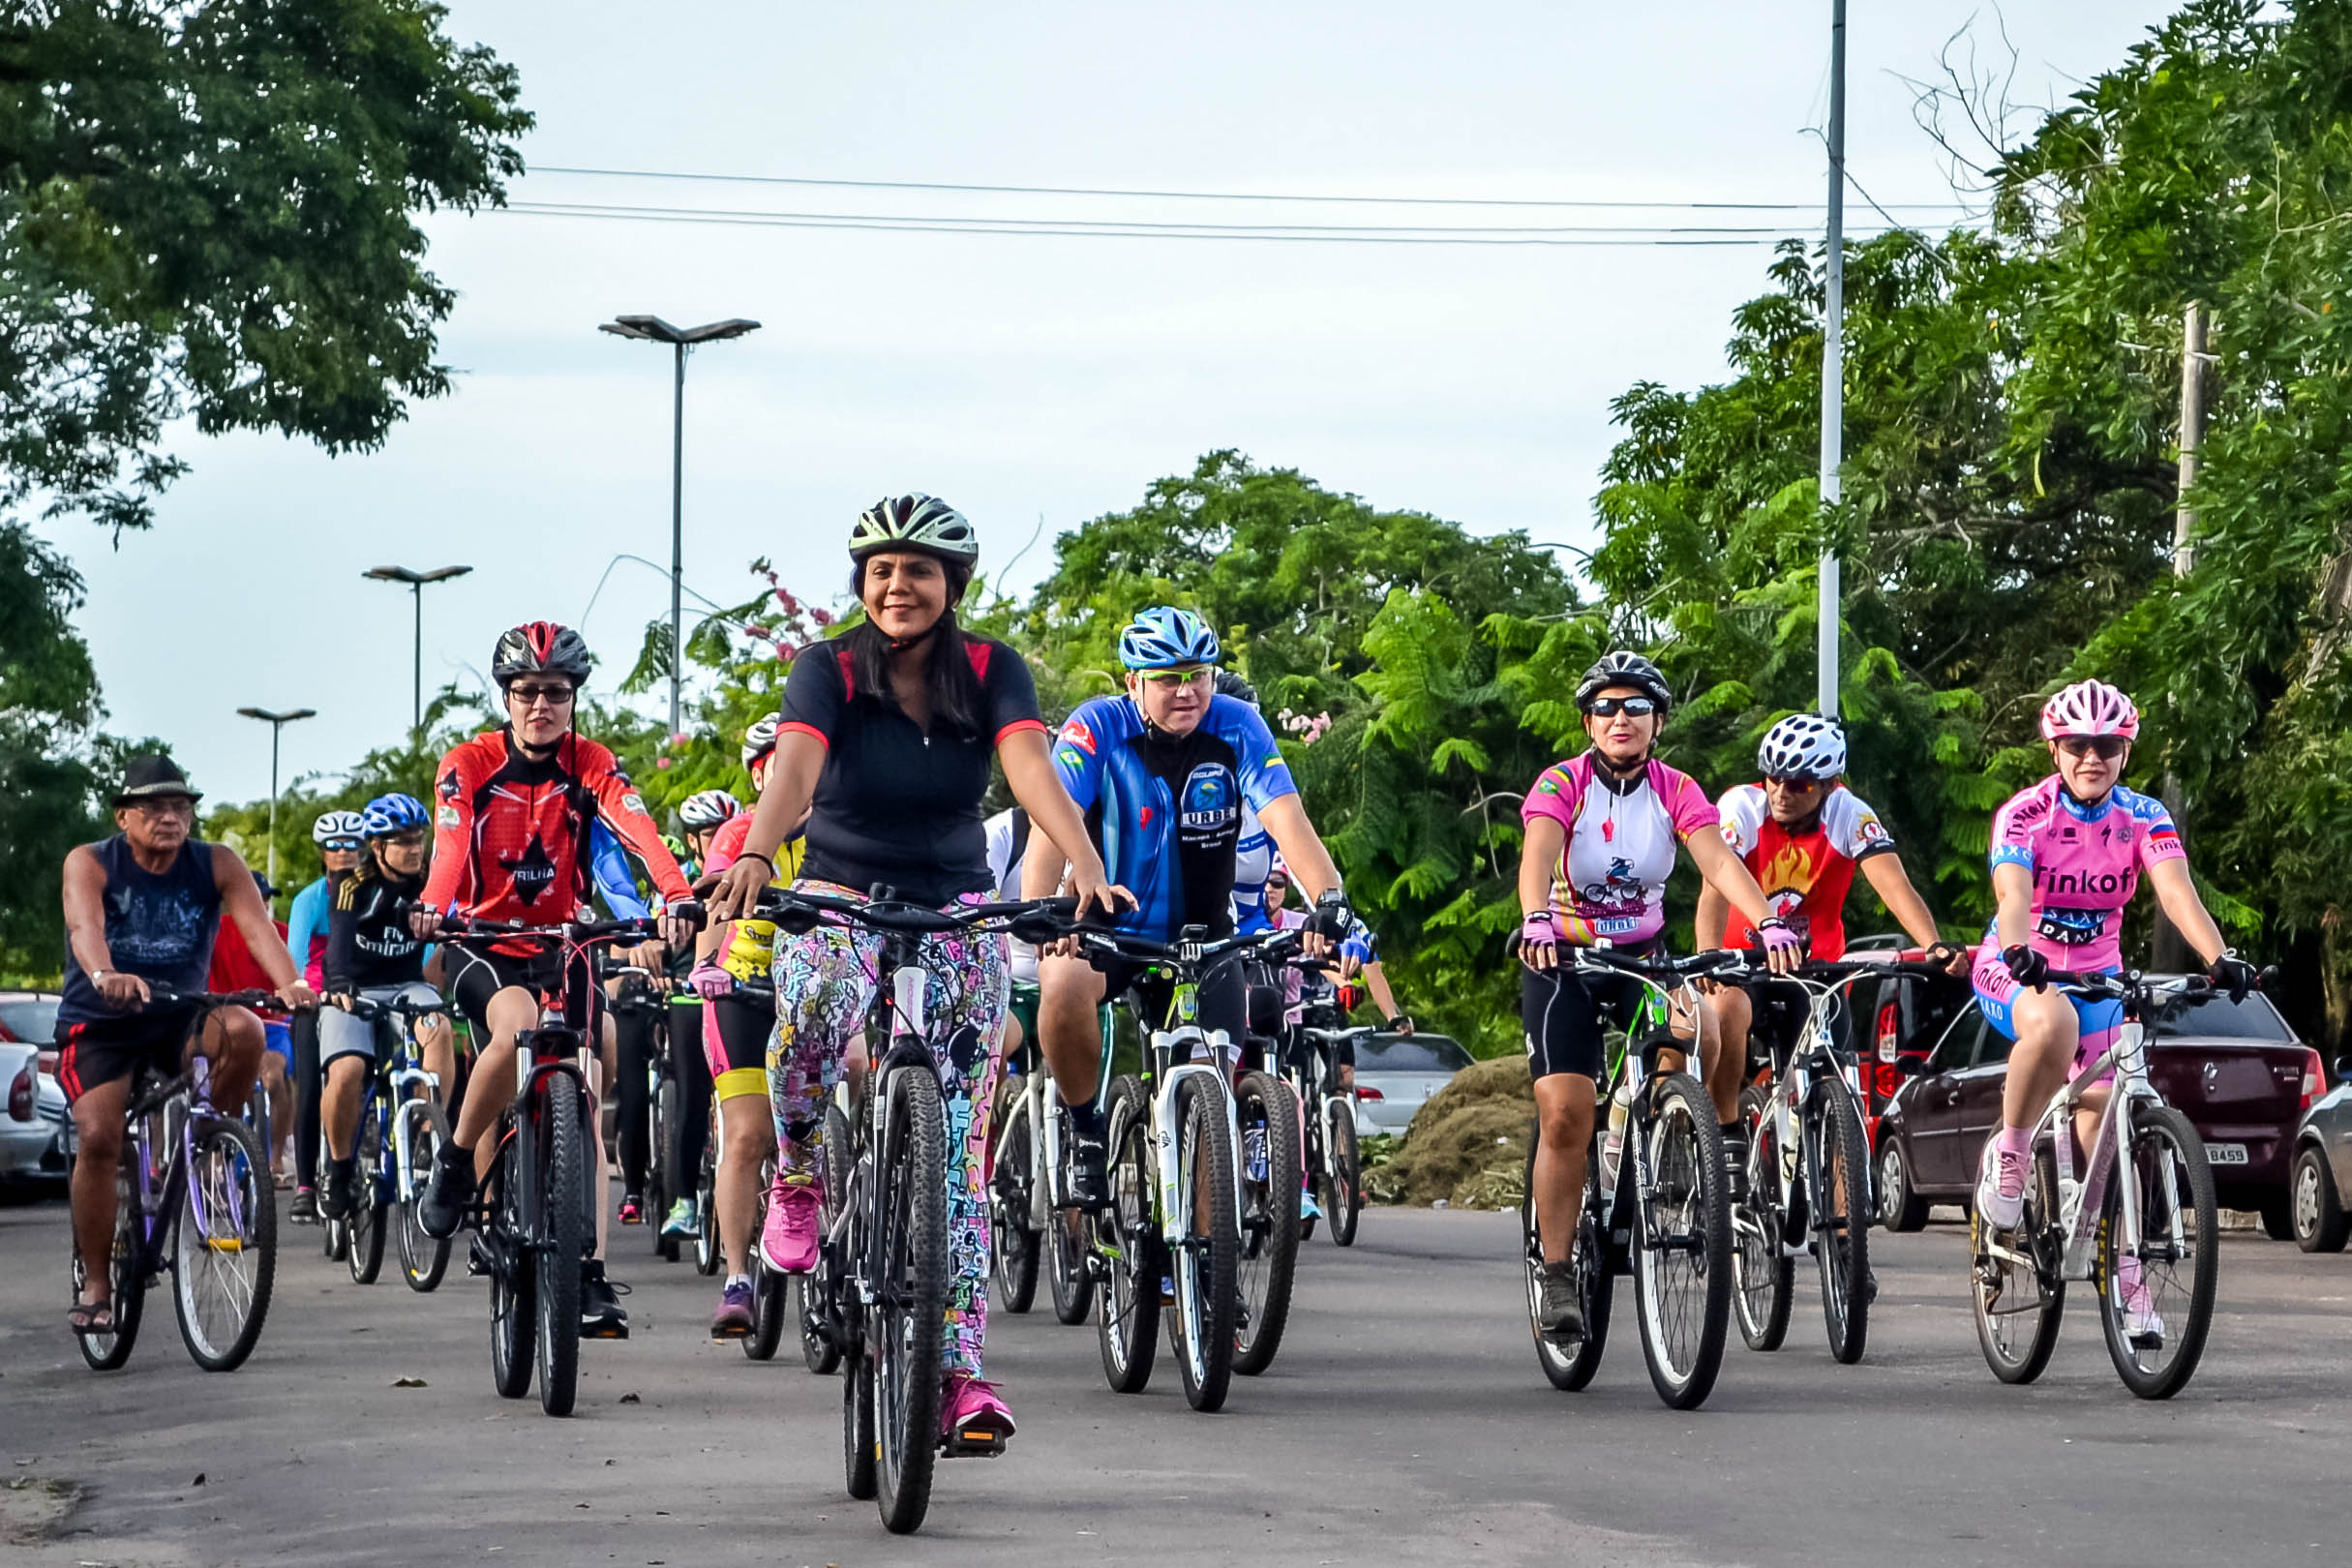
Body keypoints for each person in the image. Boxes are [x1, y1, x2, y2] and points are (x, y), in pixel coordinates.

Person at [708, 492, 1125, 1446]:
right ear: (863, 583)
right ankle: (802, 1171)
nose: (900, 586)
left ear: (951, 586)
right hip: (843, 892)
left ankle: (961, 1376)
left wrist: (1085, 865)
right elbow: (797, 769)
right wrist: (756, 855)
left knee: (958, 1160)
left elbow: (1028, 768)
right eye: (882, 570)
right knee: (809, 1018)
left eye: (920, 571)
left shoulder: (990, 670)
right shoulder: (829, 668)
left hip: (957, 902)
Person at [411, 621, 698, 1340]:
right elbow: (449, 845)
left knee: (583, 1086)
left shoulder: (590, 761)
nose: (541, 705)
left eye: (556, 693)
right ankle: (454, 1164)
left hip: (563, 945)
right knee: (510, 1031)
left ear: (573, 698)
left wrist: (675, 895)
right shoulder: (470, 762)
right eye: (527, 692)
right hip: (482, 941)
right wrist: (432, 907)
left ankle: (589, 1270)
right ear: (507, 697)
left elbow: (638, 832)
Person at [1022, 606, 1353, 1213]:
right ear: (1133, 682)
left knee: (1213, 1105)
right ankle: (1085, 1130)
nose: (1187, 690)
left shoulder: (1238, 724)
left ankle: (1198, 1265)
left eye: (1198, 674)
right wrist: (1044, 913)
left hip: (1206, 935)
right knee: (1061, 982)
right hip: (1111, 924)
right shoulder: (1096, 726)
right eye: (1168, 677)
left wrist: (1331, 900)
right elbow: (1051, 823)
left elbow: (1287, 820)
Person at [1515, 652, 1796, 1342]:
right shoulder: (1562, 782)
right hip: (1566, 962)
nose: (1621, 718)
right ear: (1588, 721)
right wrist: (1534, 916)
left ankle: (1649, 1130)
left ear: (1657, 722)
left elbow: (1717, 859)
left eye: (1635, 708)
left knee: (1699, 1025)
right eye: (1607, 707)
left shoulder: (1676, 788)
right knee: (1561, 1118)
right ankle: (1556, 1272)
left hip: (1642, 958)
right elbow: (1538, 850)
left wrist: (1766, 921)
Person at [1971, 680, 2255, 1345]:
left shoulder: (2144, 815)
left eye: (2107, 745)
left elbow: (2175, 892)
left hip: (2098, 972)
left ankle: (2127, 1279)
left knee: (2109, 1120)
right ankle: (2011, 1154)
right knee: (2054, 1024)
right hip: (2019, 961)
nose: (2091, 756)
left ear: (2125, 751)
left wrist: (2219, 957)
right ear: (2056, 748)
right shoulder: (2024, 814)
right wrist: (2017, 948)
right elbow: (2011, 894)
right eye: (2077, 745)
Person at [56, 755, 315, 1334]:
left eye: (180, 807)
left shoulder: (216, 863)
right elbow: (84, 928)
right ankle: (97, 1282)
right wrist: (105, 976)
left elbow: (257, 928)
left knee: (244, 1028)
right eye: (153, 807)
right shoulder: (92, 861)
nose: (169, 818)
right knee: (99, 1138)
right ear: (124, 815)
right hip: (102, 1020)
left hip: (178, 1015)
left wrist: (291, 984)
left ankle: (205, 1150)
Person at [1694, 712, 1964, 1083]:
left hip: (1814, 964)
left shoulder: (1848, 813)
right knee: (1726, 1012)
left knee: (1836, 1073)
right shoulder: (1740, 807)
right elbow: (1715, 885)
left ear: (1829, 786)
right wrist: (1709, 953)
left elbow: (1893, 884)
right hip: (1743, 959)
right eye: (1773, 778)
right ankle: (1727, 1130)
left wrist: (1932, 943)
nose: (1781, 793)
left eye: (1799, 785)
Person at [687, 723, 812, 1334]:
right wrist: (708, 963)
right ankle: (739, 1278)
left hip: (813, 992)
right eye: (774, 766)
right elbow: (716, 902)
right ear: (760, 776)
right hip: (741, 990)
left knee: (864, 1068)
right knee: (747, 1134)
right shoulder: (739, 834)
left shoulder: (836, 833)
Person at [317, 794, 452, 1220]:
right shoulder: (352, 883)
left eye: (418, 840)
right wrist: (337, 983)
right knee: (348, 1071)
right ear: (377, 847)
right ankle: (339, 1170)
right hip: (353, 988)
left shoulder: (434, 880)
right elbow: (337, 938)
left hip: (408, 986)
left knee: (440, 1028)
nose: (414, 849)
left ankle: (428, 1138)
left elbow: (457, 927)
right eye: (402, 841)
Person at [284, 810, 365, 1222]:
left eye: (353, 844)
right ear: (322, 853)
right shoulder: (310, 899)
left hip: (364, 994)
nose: (345, 852)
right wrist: (305, 993)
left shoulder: (373, 893)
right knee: (312, 1085)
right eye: (335, 846)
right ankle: (305, 1184)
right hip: (316, 999)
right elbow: (295, 958)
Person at [206, 869, 296, 1180]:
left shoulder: (282, 933)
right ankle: (217, 1152)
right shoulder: (214, 931)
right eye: (255, 898)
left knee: (274, 1077)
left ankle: (275, 1160)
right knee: (219, 1084)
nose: (263, 904)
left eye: (266, 898)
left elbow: (302, 969)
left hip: (272, 1024)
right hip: (227, 1022)